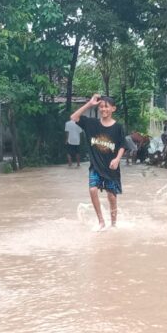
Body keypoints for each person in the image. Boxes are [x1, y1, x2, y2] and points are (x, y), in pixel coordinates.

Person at [70, 94, 126, 231]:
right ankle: (101, 221)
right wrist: (89, 103)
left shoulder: (118, 127)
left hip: (111, 168)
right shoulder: (91, 124)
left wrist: (117, 159)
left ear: (113, 109)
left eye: (106, 106)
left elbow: (122, 145)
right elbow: (74, 117)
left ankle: (113, 224)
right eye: (101, 107)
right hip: (95, 166)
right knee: (92, 189)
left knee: (111, 197)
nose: (103, 109)